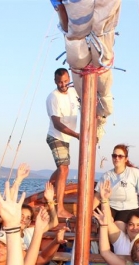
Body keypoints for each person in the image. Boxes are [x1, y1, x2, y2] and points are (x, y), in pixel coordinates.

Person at [46, 67, 79, 219]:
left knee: (63, 169)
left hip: (66, 138)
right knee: (64, 169)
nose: (64, 84)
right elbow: (57, 124)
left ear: (69, 79)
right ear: (55, 81)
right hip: (56, 136)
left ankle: (48, 190)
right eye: (60, 82)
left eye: (66, 81)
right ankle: (59, 209)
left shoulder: (73, 91)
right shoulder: (53, 97)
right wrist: (76, 135)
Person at [94, 144, 139, 222]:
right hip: (111, 207)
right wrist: (89, 211)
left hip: (128, 208)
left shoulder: (134, 173)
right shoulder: (106, 176)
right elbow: (98, 195)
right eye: (114, 156)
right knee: (105, 221)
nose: (117, 158)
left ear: (126, 159)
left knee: (118, 224)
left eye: (120, 156)